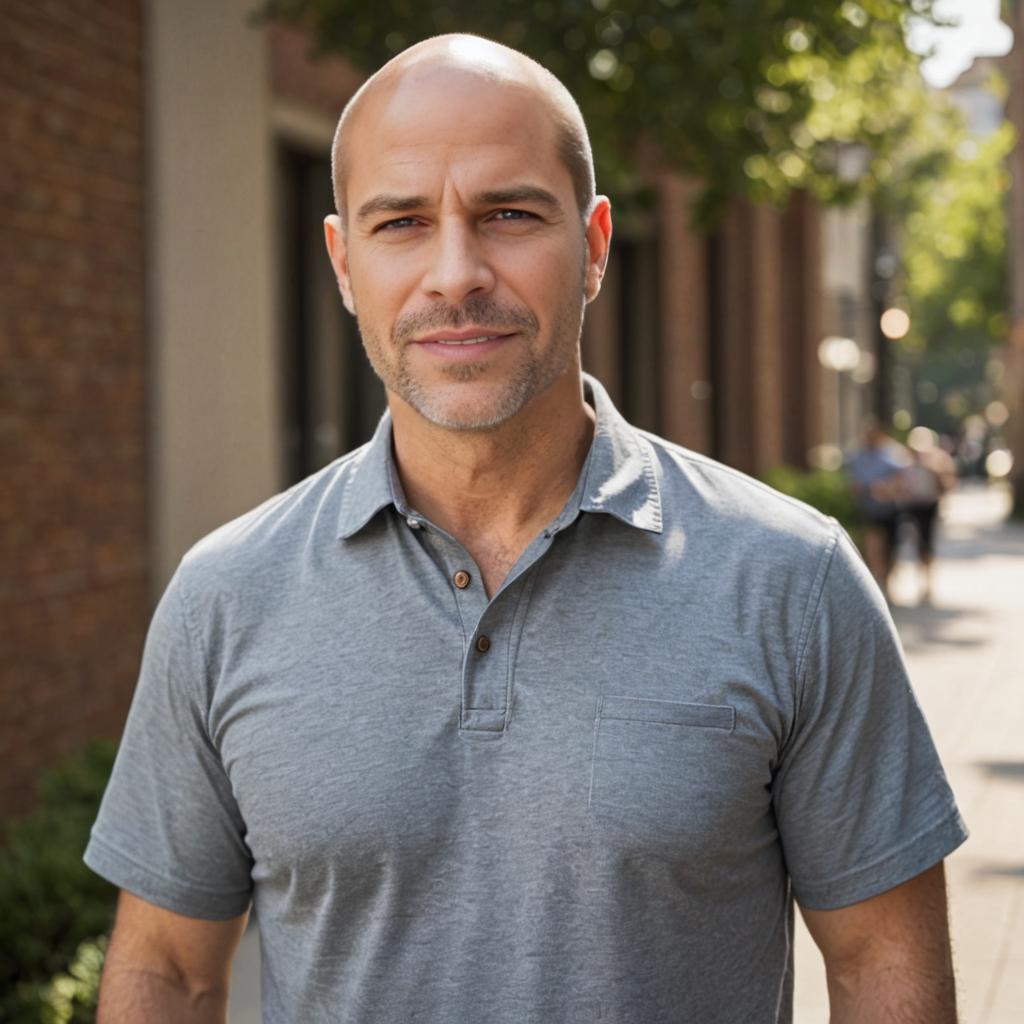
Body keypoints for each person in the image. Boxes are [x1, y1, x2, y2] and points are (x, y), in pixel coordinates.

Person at [86, 34, 967, 1023]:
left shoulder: (790, 580)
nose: (455, 274)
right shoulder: (224, 597)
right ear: (343, 262)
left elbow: (881, 965)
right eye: (402, 223)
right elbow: (166, 967)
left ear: (591, 246)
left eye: (508, 214)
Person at [846, 418, 910, 599]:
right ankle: (877, 584)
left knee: (891, 548)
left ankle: (888, 581)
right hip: (869, 510)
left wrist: (888, 488)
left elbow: (903, 479)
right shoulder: (858, 456)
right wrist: (866, 489)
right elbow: (852, 483)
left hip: (891, 509)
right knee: (873, 546)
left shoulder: (893, 454)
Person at [902, 428, 957, 604]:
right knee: (915, 545)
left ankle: (928, 583)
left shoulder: (938, 460)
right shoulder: (906, 462)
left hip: (930, 506)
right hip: (912, 507)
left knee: (928, 545)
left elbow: (949, 484)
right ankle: (919, 581)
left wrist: (934, 470)